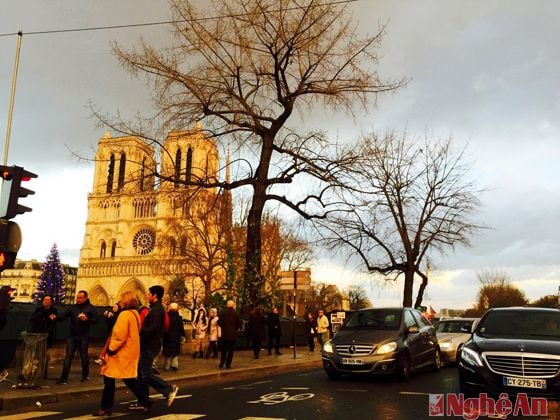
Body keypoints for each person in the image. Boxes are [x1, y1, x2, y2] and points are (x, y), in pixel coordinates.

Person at [94, 291, 144, 417]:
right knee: (128, 379)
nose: (120, 302)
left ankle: (106, 407)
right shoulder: (135, 314)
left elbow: (119, 335)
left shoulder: (124, 314)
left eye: (122, 300)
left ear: (126, 301)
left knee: (109, 379)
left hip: (119, 352)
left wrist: (111, 349)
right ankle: (145, 399)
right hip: (130, 350)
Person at [130, 285, 179, 413]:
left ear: (154, 295)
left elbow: (155, 328)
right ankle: (144, 402)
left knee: (145, 373)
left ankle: (169, 389)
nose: (147, 296)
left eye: (148, 294)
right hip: (148, 344)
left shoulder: (157, 310)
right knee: (141, 374)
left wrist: (139, 331)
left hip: (150, 345)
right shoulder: (155, 308)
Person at [53, 290, 99, 384]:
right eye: (77, 297)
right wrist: (56, 317)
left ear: (85, 298)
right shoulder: (73, 307)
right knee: (68, 356)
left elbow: (96, 320)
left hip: (84, 336)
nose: (78, 299)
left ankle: (85, 376)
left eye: (80, 298)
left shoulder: (91, 308)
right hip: (72, 336)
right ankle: (63, 378)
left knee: (83, 356)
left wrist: (87, 319)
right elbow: (63, 316)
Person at [29, 295, 58, 378]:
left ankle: (42, 373)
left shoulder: (53, 310)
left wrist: (47, 331)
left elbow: (53, 323)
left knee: (44, 355)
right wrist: (42, 313)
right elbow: (32, 319)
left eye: (48, 300)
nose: (46, 301)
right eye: (45, 299)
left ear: (51, 302)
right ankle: (33, 371)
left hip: (46, 336)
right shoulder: (39, 309)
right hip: (37, 334)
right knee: (35, 354)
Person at [0, 286, 17, 382]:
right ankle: (2, 370)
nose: (11, 293)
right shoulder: (5, 304)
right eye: (10, 291)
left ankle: (2, 370)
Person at [217, 300, 241, 369]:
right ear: (233, 305)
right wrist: (235, 328)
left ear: (227, 305)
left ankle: (222, 361)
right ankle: (228, 364)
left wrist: (223, 327)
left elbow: (219, 322)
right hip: (232, 335)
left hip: (224, 334)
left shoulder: (223, 313)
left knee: (223, 350)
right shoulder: (236, 313)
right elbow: (239, 323)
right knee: (230, 351)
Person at [162, 303, 185, 371]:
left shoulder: (166, 316)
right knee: (175, 351)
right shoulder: (179, 317)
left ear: (170, 308)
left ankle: (167, 366)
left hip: (167, 336)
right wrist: (183, 335)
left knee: (168, 352)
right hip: (176, 336)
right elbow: (181, 328)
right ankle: (175, 364)